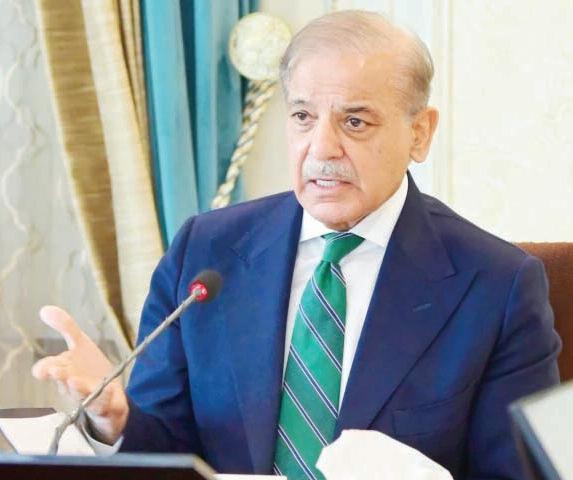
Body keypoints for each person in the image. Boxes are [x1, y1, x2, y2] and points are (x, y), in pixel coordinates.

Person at [32, 10, 561, 480]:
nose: (321, 147)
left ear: (419, 133)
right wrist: (115, 417)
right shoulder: (206, 251)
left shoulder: (496, 285)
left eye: (355, 121)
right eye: (303, 117)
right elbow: (167, 445)